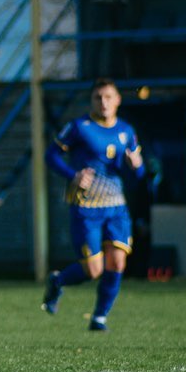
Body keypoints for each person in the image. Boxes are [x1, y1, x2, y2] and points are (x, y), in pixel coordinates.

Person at [41, 78, 144, 331]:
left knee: (118, 263)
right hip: (86, 207)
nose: (103, 102)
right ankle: (58, 281)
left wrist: (137, 166)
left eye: (108, 97)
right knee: (93, 270)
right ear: (92, 101)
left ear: (118, 100)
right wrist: (73, 175)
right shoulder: (79, 127)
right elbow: (50, 155)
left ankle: (99, 317)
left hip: (116, 207)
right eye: (98, 97)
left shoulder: (127, 132)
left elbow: (138, 174)